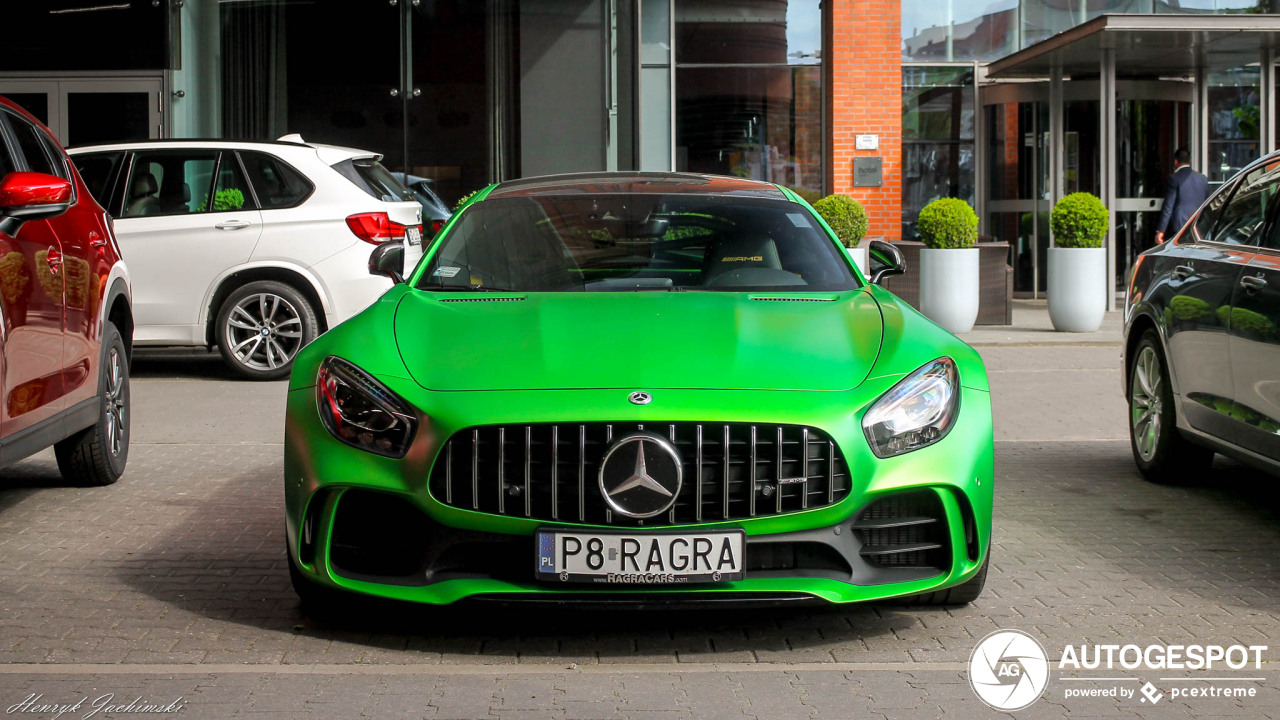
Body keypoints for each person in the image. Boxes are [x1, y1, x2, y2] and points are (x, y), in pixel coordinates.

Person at [1154, 147, 1209, 245]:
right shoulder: (1202, 178)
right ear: (1190, 160)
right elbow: (1207, 203)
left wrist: (1161, 230)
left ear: (1176, 162)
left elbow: (1168, 206)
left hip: (1180, 227)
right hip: (1198, 226)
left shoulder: (1174, 179)